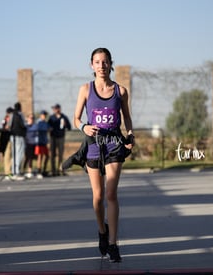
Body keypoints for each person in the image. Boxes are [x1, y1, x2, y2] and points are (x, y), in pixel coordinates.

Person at [73, 47, 134, 262]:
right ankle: (102, 231)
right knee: (98, 197)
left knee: (111, 194)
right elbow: (76, 118)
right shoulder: (85, 90)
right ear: (91, 65)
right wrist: (84, 128)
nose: (101, 65)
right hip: (93, 146)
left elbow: (127, 117)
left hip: (114, 145)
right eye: (97, 62)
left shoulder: (121, 91)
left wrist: (130, 135)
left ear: (111, 64)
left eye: (105, 61)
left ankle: (114, 243)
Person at [48, 103, 71, 176]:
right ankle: (53, 171)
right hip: (53, 138)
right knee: (53, 155)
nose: (54, 110)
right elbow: (48, 126)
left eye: (55, 108)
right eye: (53, 109)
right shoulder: (51, 117)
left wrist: (65, 125)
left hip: (61, 137)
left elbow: (69, 127)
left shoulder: (64, 117)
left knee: (61, 155)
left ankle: (61, 170)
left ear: (59, 109)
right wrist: (49, 128)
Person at [8, 102, 26, 180]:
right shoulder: (20, 115)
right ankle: (17, 172)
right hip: (19, 136)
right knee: (20, 154)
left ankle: (13, 171)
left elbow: (9, 125)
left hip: (13, 136)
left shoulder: (11, 115)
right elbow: (23, 125)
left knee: (14, 154)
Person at [0, 107, 14, 179]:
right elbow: (4, 127)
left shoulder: (11, 119)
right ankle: (7, 173)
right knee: (7, 156)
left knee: (11, 156)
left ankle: (10, 172)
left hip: (10, 139)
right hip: (6, 139)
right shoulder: (5, 120)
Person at [23, 113, 38, 179]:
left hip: (33, 144)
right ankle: (23, 170)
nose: (32, 119)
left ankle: (30, 171)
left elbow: (37, 134)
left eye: (33, 118)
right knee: (27, 158)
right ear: (28, 119)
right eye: (30, 118)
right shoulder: (25, 126)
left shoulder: (35, 126)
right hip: (27, 144)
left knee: (31, 158)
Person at [36, 110, 50, 178]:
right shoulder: (39, 122)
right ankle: (39, 171)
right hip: (39, 142)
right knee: (40, 157)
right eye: (43, 115)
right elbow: (43, 129)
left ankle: (44, 170)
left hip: (44, 142)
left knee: (47, 156)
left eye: (45, 115)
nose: (44, 116)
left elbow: (48, 128)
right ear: (41, 115)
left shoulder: (45, 123)